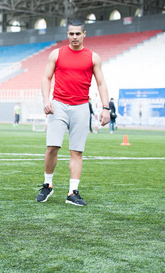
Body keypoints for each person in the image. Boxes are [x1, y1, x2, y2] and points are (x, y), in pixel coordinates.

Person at [37, 20, 110, 206]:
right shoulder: (56, 54)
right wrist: (46, 100)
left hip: (81, 107)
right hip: (58, 105)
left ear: (84, 34)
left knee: (76, 151)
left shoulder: (93, 57)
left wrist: (105, 107)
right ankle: (47, 185)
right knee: (52, 147)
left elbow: (101, 83)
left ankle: (72, 192)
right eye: (71, 34)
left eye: (78, 33)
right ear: (67, 34)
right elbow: (46, 77)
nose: (75, 37)